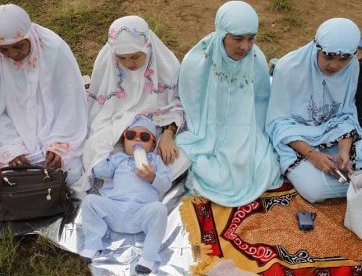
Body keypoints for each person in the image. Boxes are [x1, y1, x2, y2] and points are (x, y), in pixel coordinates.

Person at [175, 1, 282, 207]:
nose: (245, 47)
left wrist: (244, 139)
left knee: (263, 166)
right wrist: (211, 136)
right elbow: (191, 102)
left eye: (251, 38)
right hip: (207, 132)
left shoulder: (256, 58)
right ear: (222, 32)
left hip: (246, 130)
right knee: (206, 168)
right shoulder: (199, 60)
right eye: (238, 39)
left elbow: (259, 105)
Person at [79, 15, 190, 194]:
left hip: (156, 129)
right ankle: (129, 179)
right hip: (117, 129)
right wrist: (121, 132)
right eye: (121, 58)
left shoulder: (165, 65)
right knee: (95, 150)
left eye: (135, 57)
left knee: (181, 156)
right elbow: (102, 111)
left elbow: (175, 102)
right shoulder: (107, 63)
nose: (129, 64)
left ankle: (136, 179)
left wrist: (168, 135)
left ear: (148, 47)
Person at [0, 4, 87, 188]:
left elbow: (71, 101)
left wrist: (58, 146)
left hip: (59, 129)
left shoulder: (54, 49)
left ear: (27, 35)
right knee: (10, 177)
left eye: (18, 46)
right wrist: (12, 147)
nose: (12, 54)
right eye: (4, 49)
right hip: (17, 135)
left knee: (72, 173)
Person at [266, 18, 361, 203]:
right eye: (328, 56)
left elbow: (346, 113)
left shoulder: (352, 67)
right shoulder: (289, 68)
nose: (335, 65)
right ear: (316, 46)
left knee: (347, 160)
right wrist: (313, 156)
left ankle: (347, 175)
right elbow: (277, 122)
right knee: (314, 190)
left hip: (333, 132)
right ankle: (354, 182)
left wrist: (344, 151)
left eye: (343, 59)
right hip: (296, 139)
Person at [79, 117, 171, 274]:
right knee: (90, 201)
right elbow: (101, 172)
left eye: (144, 137)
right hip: (115, 209)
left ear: (152, 144)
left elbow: (166, 184)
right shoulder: (118, 158)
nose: (137, 139)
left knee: (160, 209)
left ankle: (148, 258)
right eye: (131, 135)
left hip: (140, 213)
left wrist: (152, 177)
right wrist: (104, 150)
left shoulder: (154, 161)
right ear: (124, 141)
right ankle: (92, 244)